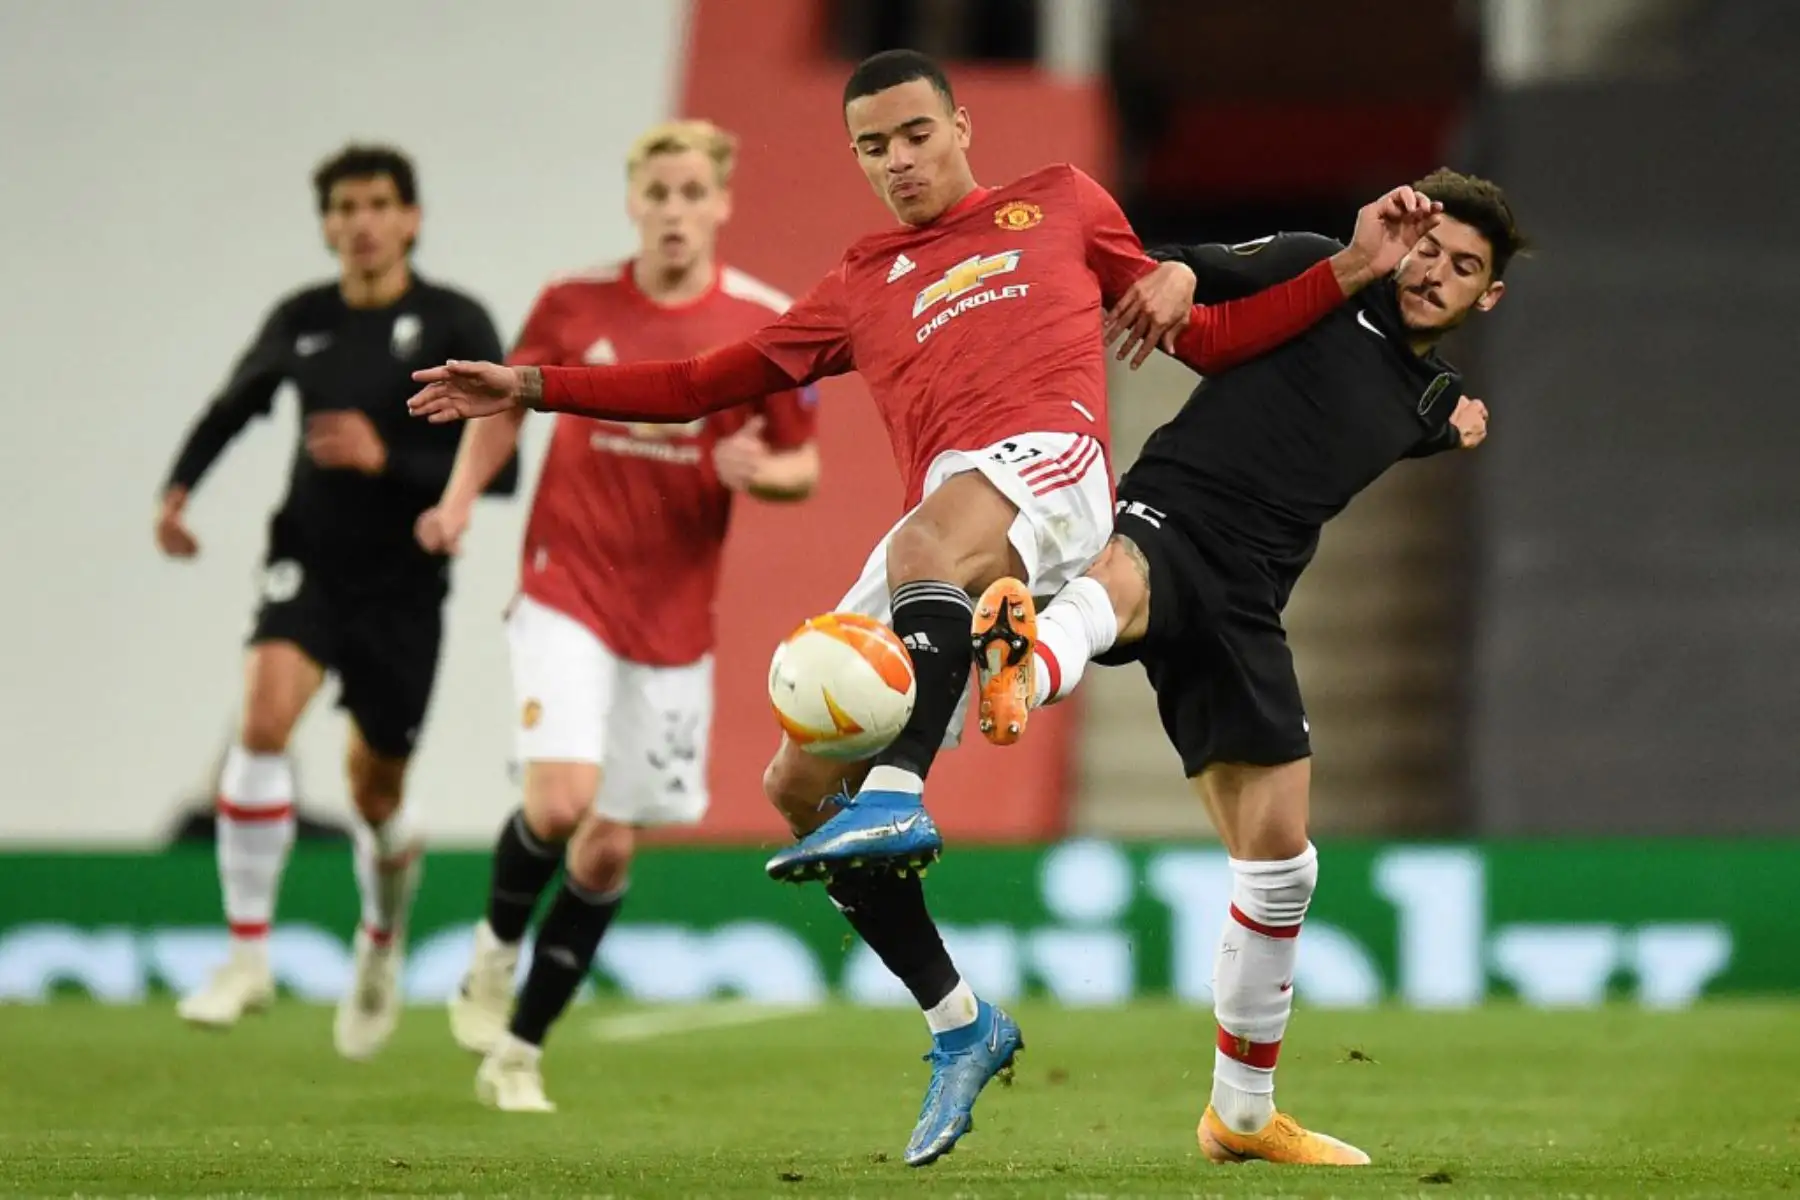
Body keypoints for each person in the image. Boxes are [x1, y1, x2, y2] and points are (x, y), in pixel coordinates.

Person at [406, 50, 1436, 1166]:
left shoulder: (1060, 203)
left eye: (913, 135)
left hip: (1052, 471)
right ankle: (960, 1023)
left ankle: (909, 781)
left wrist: (1345, 272)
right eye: (872, 147)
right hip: (946, 533)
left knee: (922, 552)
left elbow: (1214, 339)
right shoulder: (860, 278)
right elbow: (709, 380)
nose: (897, 161)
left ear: (959, 126)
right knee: (797, 786)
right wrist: (535, 386)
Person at [972, 168, 1524, 1168]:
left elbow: (1408, 416)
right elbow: (1201, 269)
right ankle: (1026, 662)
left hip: (1251, 602)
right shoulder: (1324, 268)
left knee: (1281, 869)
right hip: (1174, 513)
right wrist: (1178, 275)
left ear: (1488, 296)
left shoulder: (1433, 400)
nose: (1434, 273)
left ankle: (1240, 1114)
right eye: (1430, 248)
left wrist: (1457, 426)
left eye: (1463, 269)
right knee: (1121, 578)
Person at [412, 120, 821, 1112]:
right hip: (567, 580)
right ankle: (494, 947)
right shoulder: (572, 301)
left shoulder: (764, 320)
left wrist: (762, 473)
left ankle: (519, 1049)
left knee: (605, 846)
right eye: (659, 193)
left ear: (722, 203)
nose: (675, 211)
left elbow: (804, 463)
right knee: (560, 802)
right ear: (633, 200)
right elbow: (504, 404)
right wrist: (463, 497)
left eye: (693, 194)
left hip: (673, 613)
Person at [158, 144, 511, 1061]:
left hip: (403, 587)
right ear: (326, 224)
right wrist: (179, 491)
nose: (359, 222)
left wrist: (386, 460)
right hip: (308, 563)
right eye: (343, 207)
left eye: (377, 205)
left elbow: (496, 468)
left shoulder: (453, 319)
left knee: (374, 791)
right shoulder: (303, 318)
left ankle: (380, 945)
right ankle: (246, 956)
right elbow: (236, 402)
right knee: (264, 720)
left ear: (411, 219)